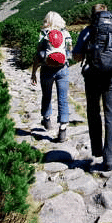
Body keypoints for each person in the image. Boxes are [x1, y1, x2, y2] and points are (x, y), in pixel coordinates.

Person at [72, 3, 112, 173]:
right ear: (108, 14)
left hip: (92, 77)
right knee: (111, 116)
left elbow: (76, 56)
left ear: (93, 16)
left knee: (93, 111)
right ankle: (110, 160)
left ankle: (97, 150)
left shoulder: (87, 31)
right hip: (111, 77)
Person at [31, 11, 73, 142]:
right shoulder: (65, 33)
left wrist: (33, 72)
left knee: (47, 95)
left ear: (47, 21)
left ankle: (47, 120)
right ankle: (63, 128)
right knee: (63, 99)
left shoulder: (44, 34)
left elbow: (38, 54)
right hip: (62, 69)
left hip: (46, 69)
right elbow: (70, 51)